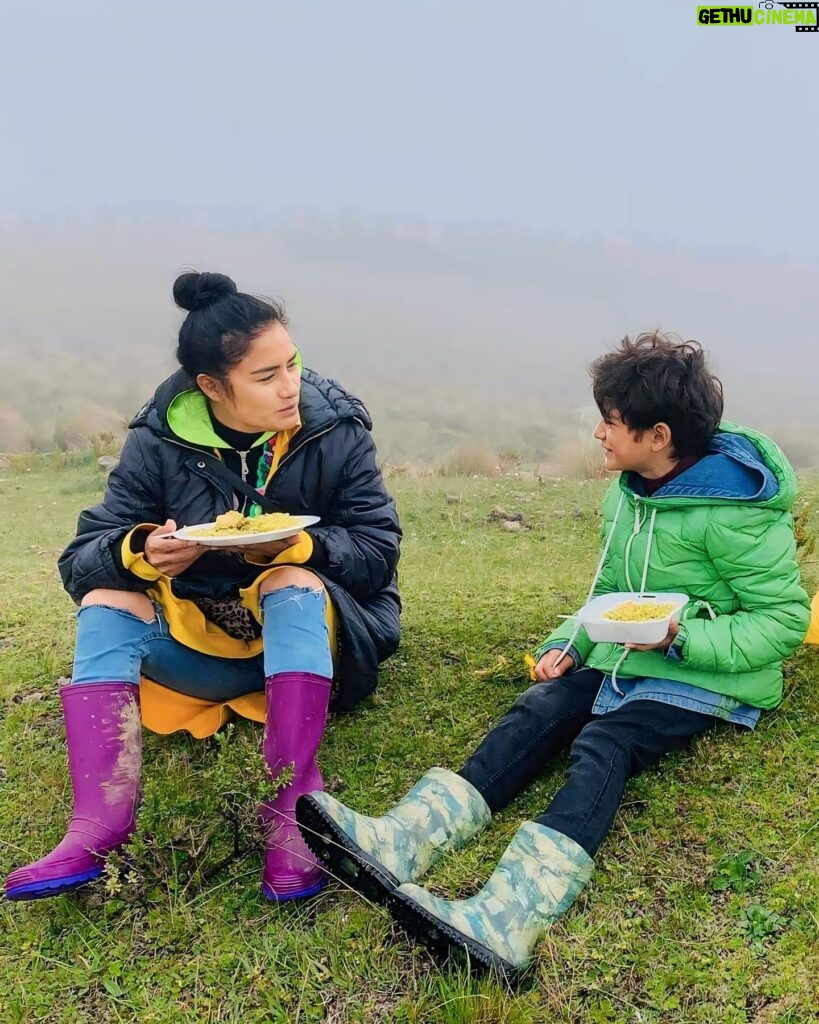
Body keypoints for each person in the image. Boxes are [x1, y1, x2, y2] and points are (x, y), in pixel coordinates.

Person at [295, 332, 811, 979]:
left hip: (704, 677)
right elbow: (611, 593)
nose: (598, 433)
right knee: (537, 710)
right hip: (625, 657)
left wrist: (680, 639)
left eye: (611, 422)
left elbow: (781, 620)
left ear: (657, 436)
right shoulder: (630, 491)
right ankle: (403, 839)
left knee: (605, 746)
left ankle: (509, 916)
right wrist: (568, 641)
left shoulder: (733, 513)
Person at [5, 271, 401, 904]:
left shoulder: (336, 432)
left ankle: (291, 808)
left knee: (291, 578)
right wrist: (142, 551)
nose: (290, 386)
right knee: (108, 597)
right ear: (212, 386)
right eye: (266, 376)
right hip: (206, 644)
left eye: (292, 365)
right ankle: (99, 825)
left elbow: (379, 553)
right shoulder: (158, 441)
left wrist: (303, 545)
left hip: (316, 642)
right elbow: (81, 558)